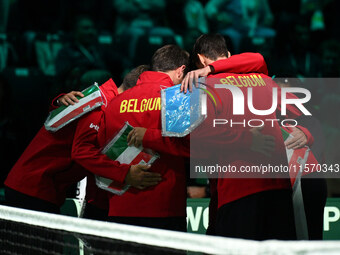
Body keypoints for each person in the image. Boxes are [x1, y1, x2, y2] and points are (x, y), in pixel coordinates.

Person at [180, 34, 314, 240]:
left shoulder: (204, 86)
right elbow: (304, 113)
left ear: (201, 59)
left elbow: (197, 135)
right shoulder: (265, 81)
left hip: (237, 191)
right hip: (278, 188)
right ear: (230, 55)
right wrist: (306, 134)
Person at [4, 65, 156, 215]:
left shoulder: (101, 99)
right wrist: (126, 174)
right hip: (33, 189)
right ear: (138, 92)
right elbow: (82, 151)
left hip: (40, 189)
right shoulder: (99, 105)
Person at [83, 45, 190, 232]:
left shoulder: (115, 103)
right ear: (181, 70)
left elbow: (99, 151)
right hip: (165, 209)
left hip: (119, 208)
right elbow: (189, 145)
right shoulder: (177, 99)